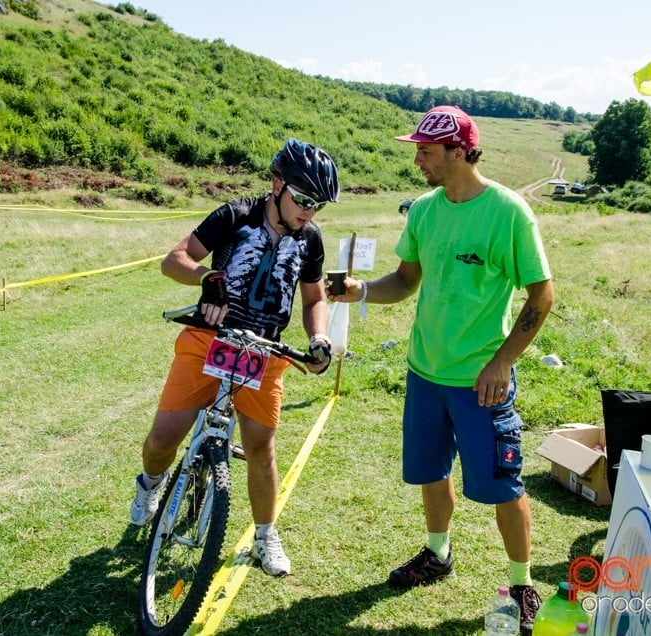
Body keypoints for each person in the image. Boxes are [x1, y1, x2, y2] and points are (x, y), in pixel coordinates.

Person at [329, 106, 554, 636]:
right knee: (431, 472)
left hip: (481, 381)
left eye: (426, 151)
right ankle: (437, 554)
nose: (417, 159)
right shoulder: (425, 211)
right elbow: (406, 280)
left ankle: (521, 586)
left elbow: (542, 295)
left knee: (502, 484)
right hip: (424, 372)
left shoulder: (509, 212)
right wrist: (361, 291)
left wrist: (503, 362)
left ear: (459, 152)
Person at [129, 137, 339, 576]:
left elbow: (314, 297)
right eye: (303, 199)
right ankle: (150, 483)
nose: (309, 211)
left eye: (318, 205)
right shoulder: (235, 215)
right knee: (163, 439)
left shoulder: (310, 239)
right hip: (210, 339)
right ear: (277, 184)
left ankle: (264, 535)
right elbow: (175, 259)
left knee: (261, 448)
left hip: (264, 351)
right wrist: (206, 278)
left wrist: (320, 337)